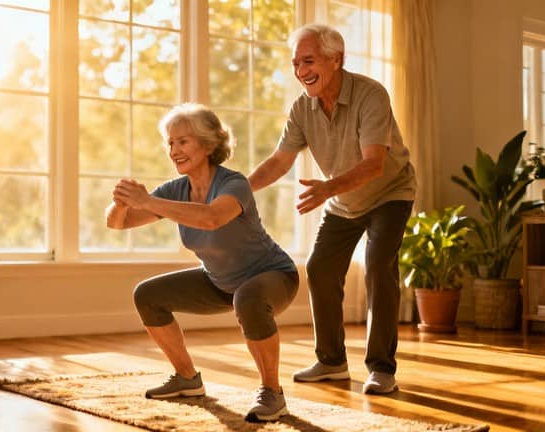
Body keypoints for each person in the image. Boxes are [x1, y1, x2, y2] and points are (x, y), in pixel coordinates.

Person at [247, 24, 416, 395]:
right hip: (343, 199)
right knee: (321, 268)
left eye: (308, 61)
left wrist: (327, 188)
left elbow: (374, 164)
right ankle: (331, 361)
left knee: (378, 266)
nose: (300, 71)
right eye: (296, 63)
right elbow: (279, 161)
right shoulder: (302, 109)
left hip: (390, 192)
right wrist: (240, 189)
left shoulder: (371, 95)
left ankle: (382, 369)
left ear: (336, 59)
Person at [106, 103, 299, 422]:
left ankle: (272, 393)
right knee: (148, 295)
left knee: (248, 298)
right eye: (170, 143)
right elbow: (119, 223)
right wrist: (121, 203)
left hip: (272, 276)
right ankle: (187, 379)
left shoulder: (233, 183)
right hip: (220, 282)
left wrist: (147, 201)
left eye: (183, 141)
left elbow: (212, 219)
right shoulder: (176, 189)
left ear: (208, 144)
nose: (174, 150)